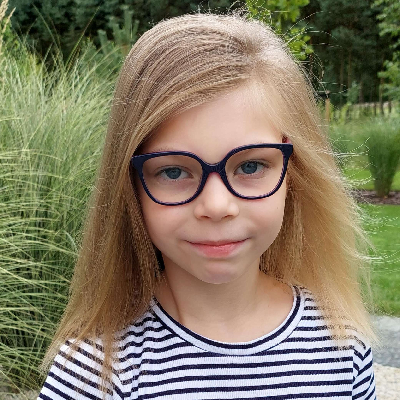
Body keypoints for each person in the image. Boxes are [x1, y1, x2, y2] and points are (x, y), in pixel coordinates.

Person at [37, 11, 377, 400]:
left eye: (251, 166)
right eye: (172, 171)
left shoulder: (342, 345)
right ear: (130, 185)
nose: (216, 206)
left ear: (293, 172)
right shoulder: (95, 370)